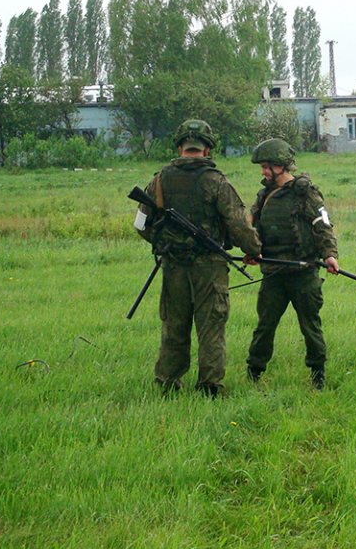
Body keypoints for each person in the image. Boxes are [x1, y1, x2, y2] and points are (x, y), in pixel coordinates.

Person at [134, 119, 261, 397]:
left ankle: (167, 384)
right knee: (211, 327)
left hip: (173, 266)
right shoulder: (216, 182)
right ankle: (209, 388)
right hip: (210, 267)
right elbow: (239, 223)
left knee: (174, 326)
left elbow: (141, 224)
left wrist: (164, 243)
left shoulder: (159, 180)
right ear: (207, 150)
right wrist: (253, 250)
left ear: (180, 147)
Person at [244, 138, 339, 390]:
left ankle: (318, 375)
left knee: (310, 326)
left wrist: (329, 255)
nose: (263, 172)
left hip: (303, 273)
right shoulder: (264, 195)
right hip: (273, 274)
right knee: (264, 326)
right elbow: (252, 227)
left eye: (266, 166)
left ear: (281, 166)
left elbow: (322, 225)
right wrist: (252, 251)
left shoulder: (305, 193)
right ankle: (253, 372)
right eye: (262, 167)